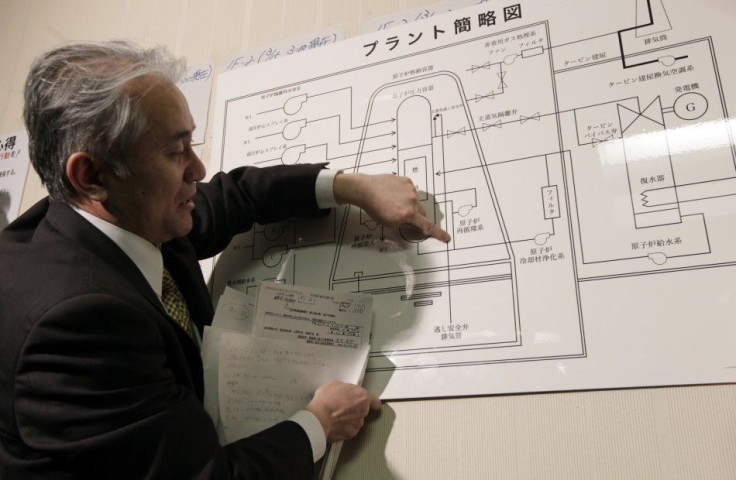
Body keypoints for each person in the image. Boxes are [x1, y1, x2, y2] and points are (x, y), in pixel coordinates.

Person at [0, 41, 450, 479]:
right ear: (92, 175)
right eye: (176, 152)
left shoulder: (122, 213)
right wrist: (319, 423)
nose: (197, 170)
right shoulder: (75, 324)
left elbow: (234, 198)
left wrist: (353, 188)